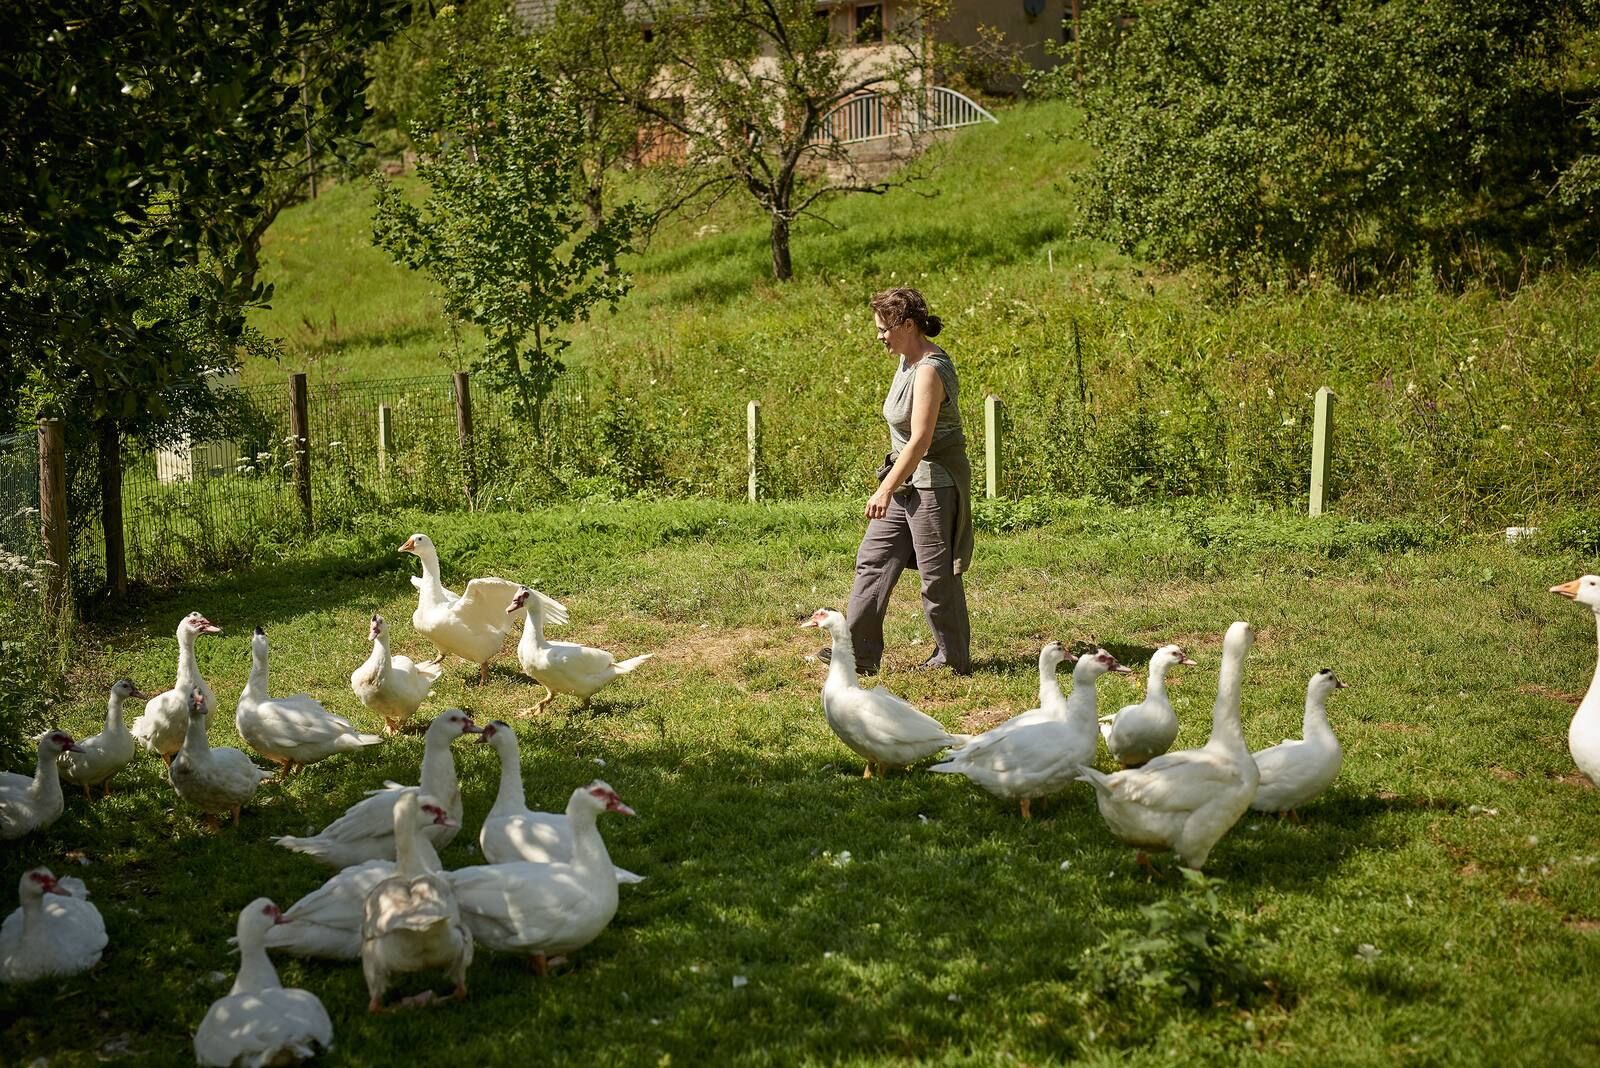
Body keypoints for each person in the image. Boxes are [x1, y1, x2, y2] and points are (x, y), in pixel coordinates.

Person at [822, 287, 974, 676]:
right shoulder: (907, 361)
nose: (879, 337)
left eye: (884, 329)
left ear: (907, 325)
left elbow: (921, 441)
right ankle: (858, 654)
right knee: (873, 560)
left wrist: (885, 488)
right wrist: (892, 483)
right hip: (905, 479)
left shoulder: (929, 370)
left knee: (936, 576)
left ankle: (952, 659)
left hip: (934, 484)